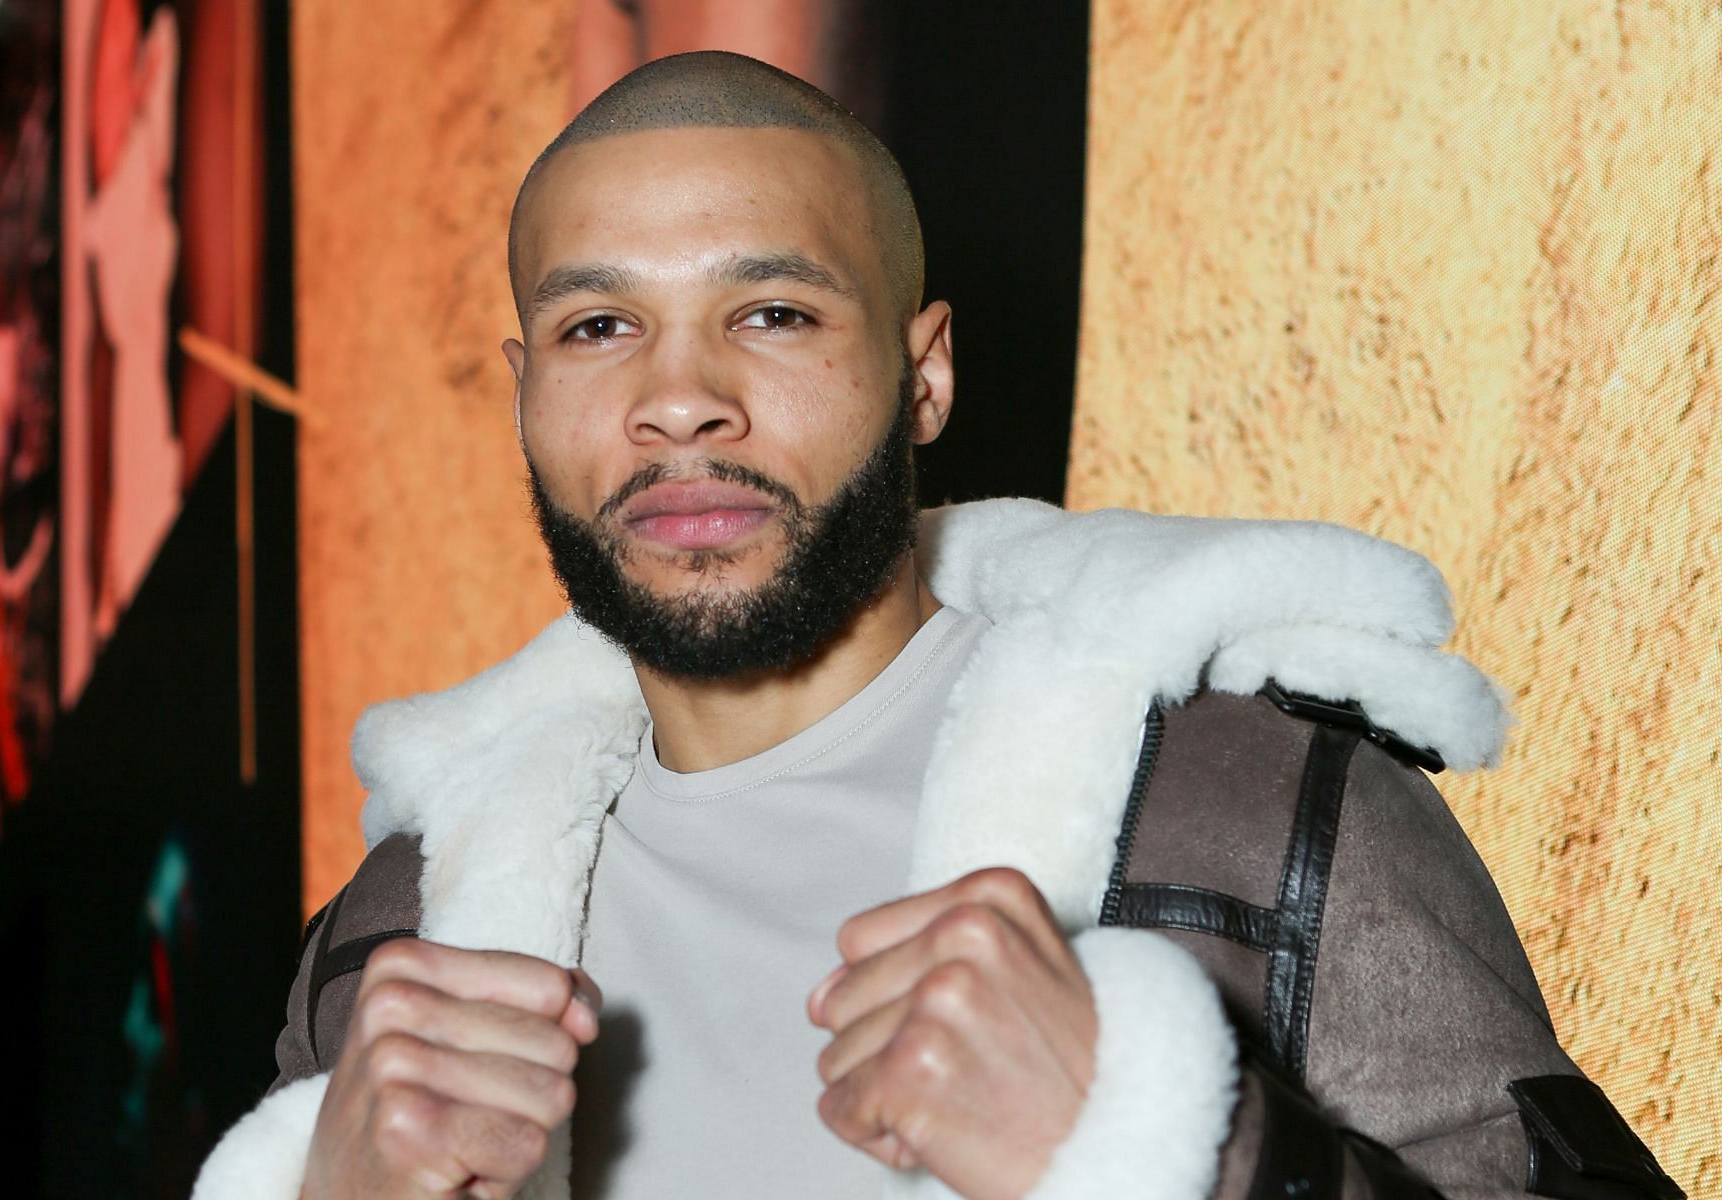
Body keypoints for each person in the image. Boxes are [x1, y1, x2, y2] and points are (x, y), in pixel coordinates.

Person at [194, 52, 1682, 1200]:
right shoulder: (394, 941)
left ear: (925, 377)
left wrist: (1183, 1152)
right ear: (525, 389)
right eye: (599, 327)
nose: (678, 395)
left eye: (771, 310)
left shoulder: (1251, 813)